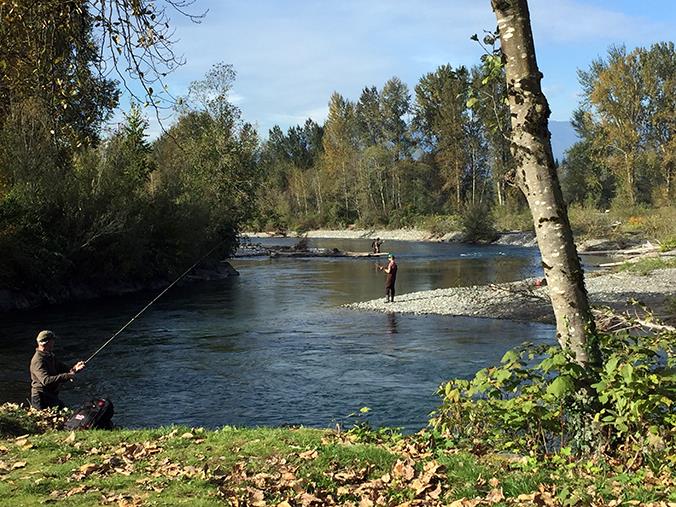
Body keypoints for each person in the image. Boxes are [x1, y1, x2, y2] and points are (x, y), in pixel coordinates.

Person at [30, 330, 86, 409]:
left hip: (51, 395)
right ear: (46, 342)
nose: (54, 343)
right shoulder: (38, 360)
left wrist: (75, 369)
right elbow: (46, 381)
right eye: (53, 340)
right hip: (41, 397)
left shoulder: (50, 355)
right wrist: (67, 376)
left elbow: (63, 369)